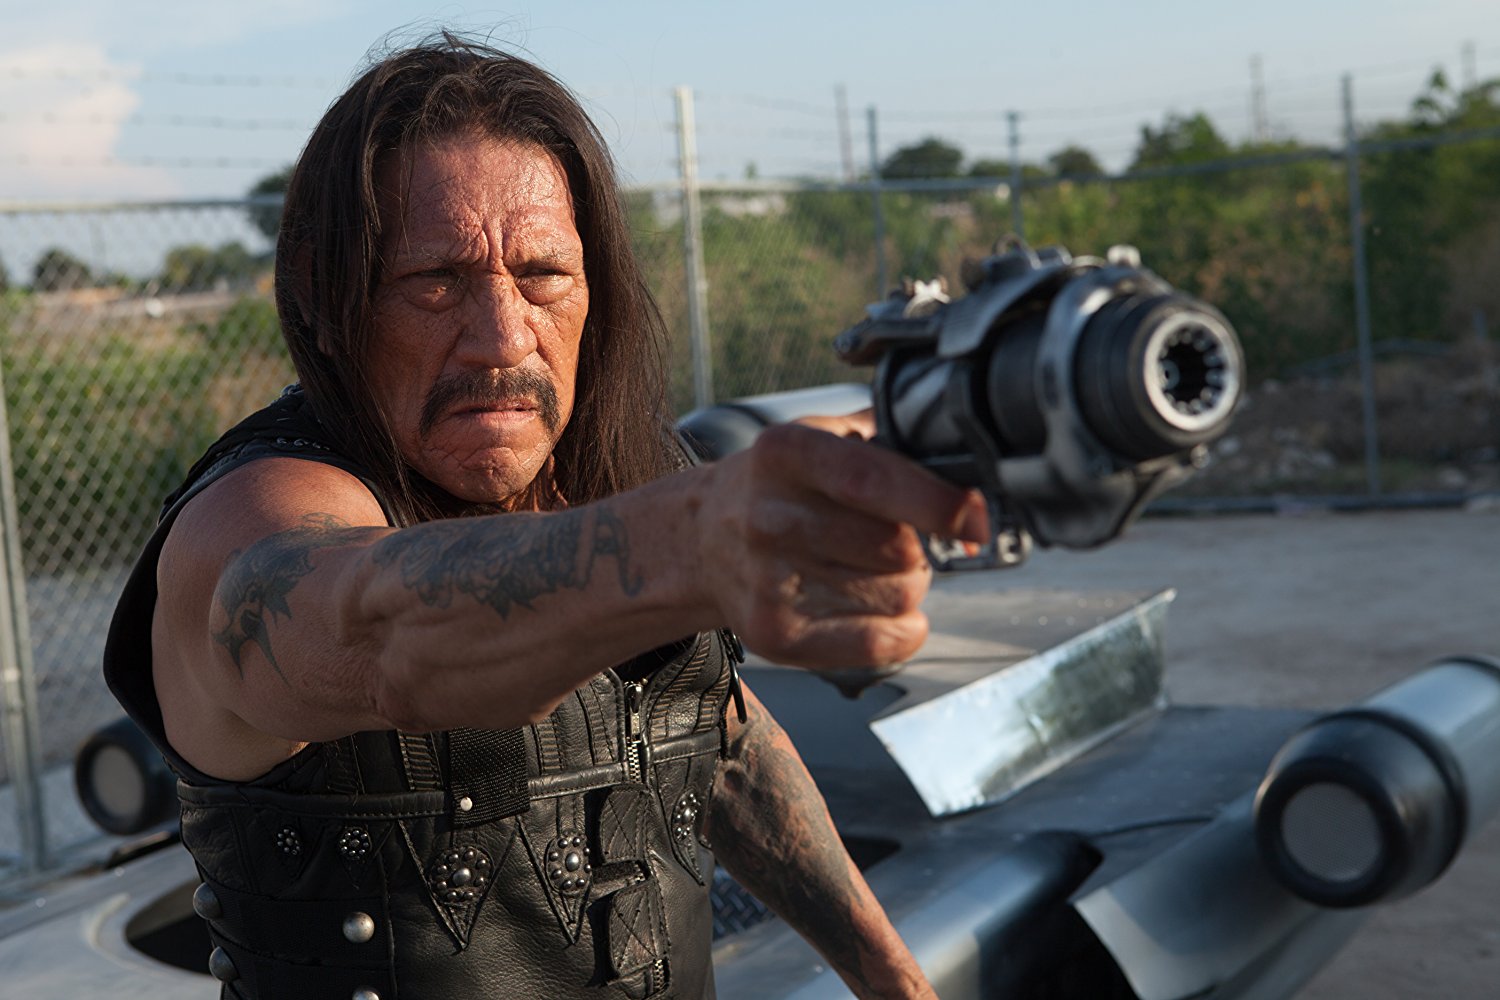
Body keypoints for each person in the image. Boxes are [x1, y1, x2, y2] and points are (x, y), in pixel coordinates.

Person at [104, 33, 988, 1000]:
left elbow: (715, 733)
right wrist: (689, 539)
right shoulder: (251, 515)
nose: (500, 338)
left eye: (542, 274)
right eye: (435, 281)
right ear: (323, 294)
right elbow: (385, 635)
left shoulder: (613, 471)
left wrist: (898, 985)